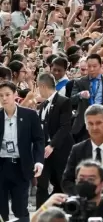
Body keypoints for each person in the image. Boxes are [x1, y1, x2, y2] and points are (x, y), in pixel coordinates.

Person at [0, 81, 44, 222]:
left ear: (15, 95)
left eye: (7, 94)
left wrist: (38, 161)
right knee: (1, 209)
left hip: (21, 166)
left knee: (20, 208)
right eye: (1, 95)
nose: (4, 98)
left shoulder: (29, 115)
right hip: (2, 165)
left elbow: (38, 140)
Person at [36, 73, 74, 209]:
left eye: (38, 87)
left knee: (61, 183)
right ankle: (40, 214)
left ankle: (63, 212)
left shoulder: (64, 101)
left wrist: (52, 145)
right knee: (42, 184)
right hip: (45, 151)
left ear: (43, 86)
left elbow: (65, 127)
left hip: (60, 150)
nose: (38, 90)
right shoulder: (43, 104)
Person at [70, 53, 103, 142]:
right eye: (89, 66)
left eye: (94, 66)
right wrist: (80, 95)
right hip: (84, 127)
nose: (91, 69)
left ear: (101, 65)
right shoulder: (79, 82)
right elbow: (71, 100)